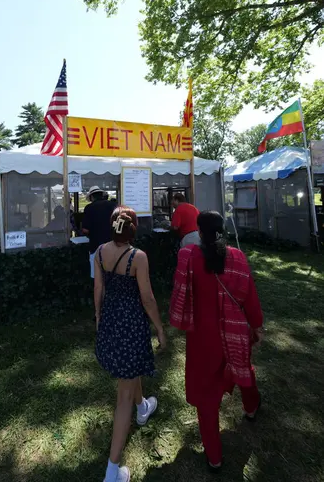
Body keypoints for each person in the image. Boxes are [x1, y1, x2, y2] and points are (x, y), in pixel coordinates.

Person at [169, 211, 263, 472]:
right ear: (223, 230)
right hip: (235, 332)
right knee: (243, 368)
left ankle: (214, 456)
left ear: (199, 232)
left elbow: (179, 293)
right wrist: (256, 325)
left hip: (202, 339)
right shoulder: (238, 257)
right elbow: (250, 297)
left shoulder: (188, 257)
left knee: (207, 398)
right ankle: (252, 407)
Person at [95, 206, 166, 482]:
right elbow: (147, 298)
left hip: (111, 323)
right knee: (123, 395)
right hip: (131, 326)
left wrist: (99, 317)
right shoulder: (138, 257)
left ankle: (143, 408)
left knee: (129, 373)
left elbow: (98, 289)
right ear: (133, 228)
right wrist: (160, 328)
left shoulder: (100, 251)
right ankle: (113, 471)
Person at [82, 186, 115, 278]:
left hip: (95, 246)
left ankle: (100, 292)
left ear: (91, 197)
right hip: (112, 245)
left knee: (97, 277)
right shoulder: (112, 205)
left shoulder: (89, 208)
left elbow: (85, 229)